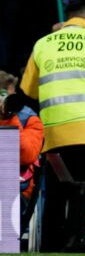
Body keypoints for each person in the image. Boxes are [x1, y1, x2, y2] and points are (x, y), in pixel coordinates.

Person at [20, 1, 85, 252]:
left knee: (55, 193)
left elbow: (28, 90)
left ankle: (49, 248)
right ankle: (74, 241)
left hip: (54, 133)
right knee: (82, 191)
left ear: (66, 19)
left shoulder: (43, 44)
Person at [0, 71, 43, 202]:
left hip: (15, 190)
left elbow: (26, 155)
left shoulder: (30, 118)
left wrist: (8, 118)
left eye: (11, 97)